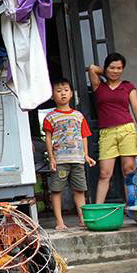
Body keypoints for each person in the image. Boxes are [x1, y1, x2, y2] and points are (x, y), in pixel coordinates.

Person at [88, 53, 137, 204]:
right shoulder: (98, 86)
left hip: (127, 130)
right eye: (112, 68)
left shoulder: (128, 86)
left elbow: (136, 109)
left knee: (128, 170)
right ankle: (97, 209)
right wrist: (107, 72)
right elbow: (92, 69)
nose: (115, 71)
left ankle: (133, 206)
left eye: (119, 68)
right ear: (106, 68)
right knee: (104, 173)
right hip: (107, 133)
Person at [43, 78, 97, 230]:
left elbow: (84, 136)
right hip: (60, 160)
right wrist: (51, 158)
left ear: (71, 94)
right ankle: (59, 221)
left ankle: (82, 219)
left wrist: (86, 156)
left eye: (66, 90)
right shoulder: (50, 117)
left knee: (79, 189)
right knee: (57, 190)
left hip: (77, 159)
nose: (63, 94)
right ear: (52, 96)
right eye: (58, 91)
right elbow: (48, 139)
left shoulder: (78, 116)